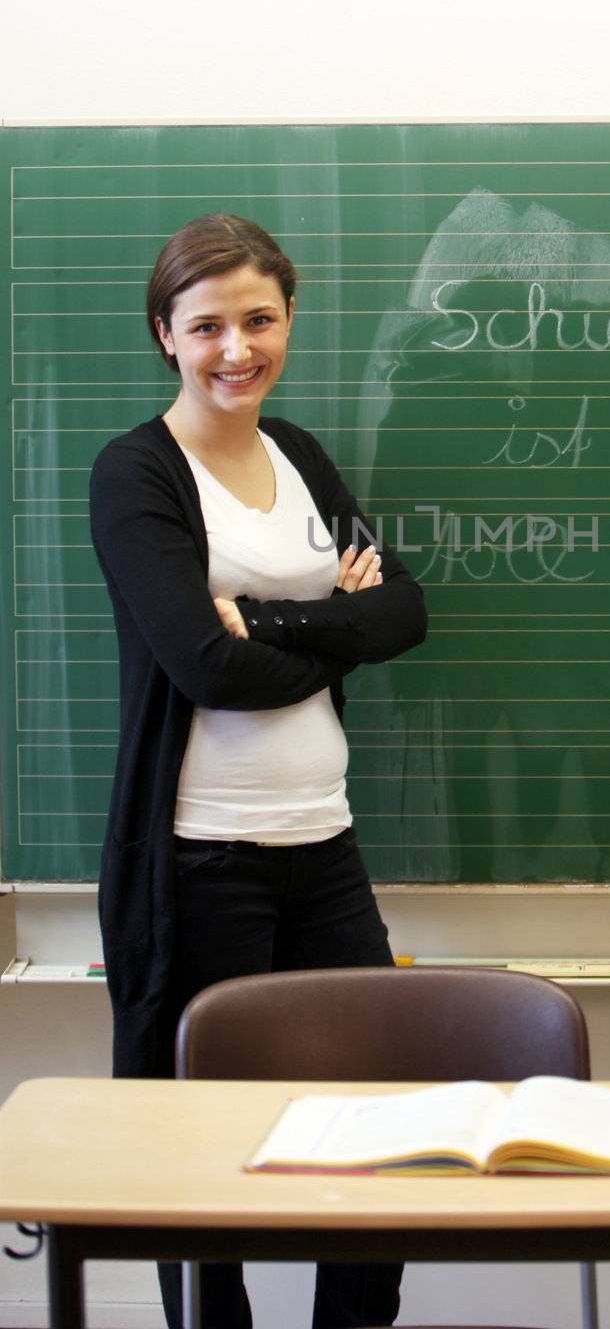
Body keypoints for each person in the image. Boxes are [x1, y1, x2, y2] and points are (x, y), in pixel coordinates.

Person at [90, 213, 427, 1329]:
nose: (236, 348)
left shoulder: (297, 452)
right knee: (203, 1158)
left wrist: (274, 614)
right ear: (164, 334)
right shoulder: (136, 471)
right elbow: (203, 665)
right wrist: (332, 615)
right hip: (199, 862)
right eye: (207, 327)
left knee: (374, 1130)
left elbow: (403, 612)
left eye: (259, 320)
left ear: (288, 320)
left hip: (322, 849)